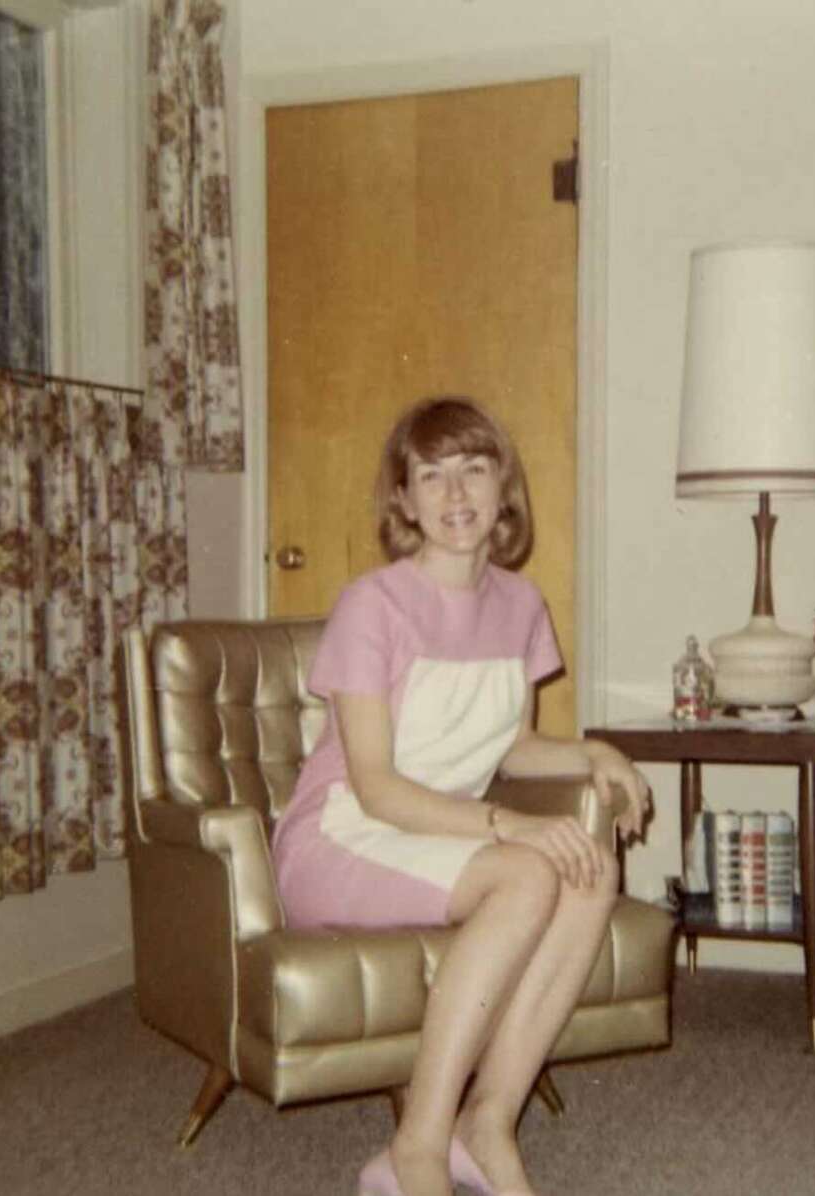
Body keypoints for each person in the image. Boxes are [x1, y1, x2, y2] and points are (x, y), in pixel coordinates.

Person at [271, 397, 652, 1196]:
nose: (455, 495)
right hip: (342, 837)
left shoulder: (521, 605)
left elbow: (509, 744)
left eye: (474, 469)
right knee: (527, 871)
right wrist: (507, 825)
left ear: (502, 487)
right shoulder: (371, 605)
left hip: (440, 836)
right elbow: (373, 786)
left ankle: (489, 1123)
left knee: (589, 871)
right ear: (403, 500)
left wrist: (595, 752)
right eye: (431, 475)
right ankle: (418, 1147)